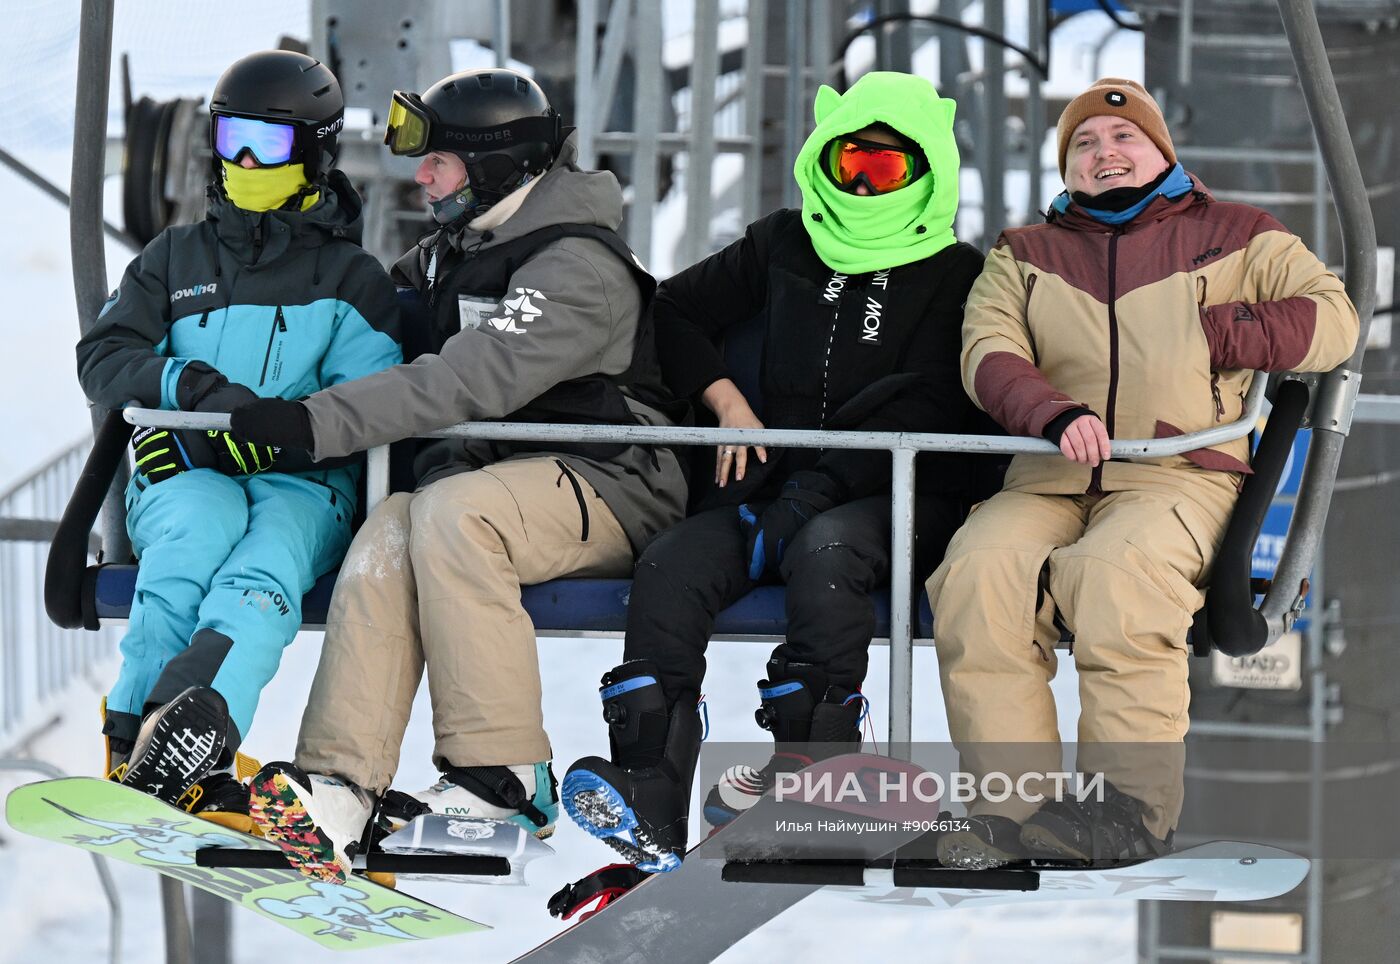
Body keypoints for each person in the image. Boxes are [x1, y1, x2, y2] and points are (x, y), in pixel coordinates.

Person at [226, 68, 689, 883]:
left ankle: (505, 776)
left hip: (610, 478)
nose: (420, 177)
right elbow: (367, 322)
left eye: (438, 161)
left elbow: (468, 378)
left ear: (500, 164)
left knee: (450, 515)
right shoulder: (455, 251)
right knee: (392, 524)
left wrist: (314, 423)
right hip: (492, 485)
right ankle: (340, 780)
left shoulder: (574, 267)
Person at [560, 71, 996, 875]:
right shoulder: (783, 243)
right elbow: (672, 311)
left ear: (928, 174)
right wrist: (728, 403)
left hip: (899, 490)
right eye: (848, 166)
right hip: (773, 487)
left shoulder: (956, 274)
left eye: (885, 172)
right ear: (821, 164)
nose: (861, 186)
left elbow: (934, 403)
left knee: (826, 551)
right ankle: (651, 785)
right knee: (674, 562)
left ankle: (820, 783)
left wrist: (814, 490)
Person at [928, 78, 1359, 869]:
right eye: (1085, 145)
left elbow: (1333, 319)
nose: (1105, 154)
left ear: (1162, 151)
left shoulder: (1237, 235)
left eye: (1123, 139)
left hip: (1180, 474)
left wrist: (1224, 331)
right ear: (1068, 168)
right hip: (1051, 471)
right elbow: (988, 354)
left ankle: (1128, 810)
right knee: (978, 576)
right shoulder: (1023, 255)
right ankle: (1009, 811)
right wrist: (1051, 413)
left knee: (1117, 575)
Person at [74, 50, 403, 829]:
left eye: (270, 144)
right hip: (185, 467)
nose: (246, 162)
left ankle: (193, 733)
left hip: (303, 484)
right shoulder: (174, 259)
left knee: (265, 566)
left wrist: (287, 438)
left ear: (316, 153)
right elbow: (105, 357)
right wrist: (186, 394)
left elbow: (372, 401)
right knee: (192, 535)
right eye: (233, 140)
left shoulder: (352, 279)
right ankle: (134, 734)